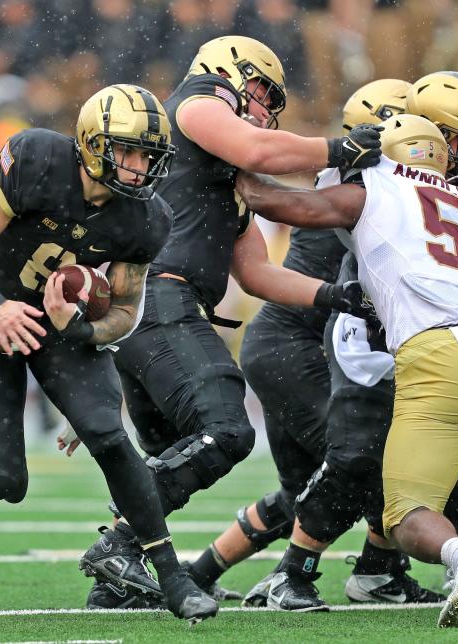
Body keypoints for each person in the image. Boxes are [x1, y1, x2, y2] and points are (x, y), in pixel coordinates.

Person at [70, 36, 384, 608]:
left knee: (178, 451)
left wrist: (337, 296)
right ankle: (119, 545)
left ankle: (117, 584)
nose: (265, 107)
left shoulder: (218, 180)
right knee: (227, 431)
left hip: (152, 312)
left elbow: (259, 275)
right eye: (263, 91)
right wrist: (339, 150)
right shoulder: (196, 101)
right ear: (229, 72)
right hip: (158, 300)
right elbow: (260, 148)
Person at [236, 113, 458, 628]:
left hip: (435, 356)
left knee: (407, 515)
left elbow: (284, 204)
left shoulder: (374, 187)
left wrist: (234, 171)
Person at [0, 84, 217, 623]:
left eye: (148, 156)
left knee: (107, 430)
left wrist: (81, 332)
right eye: (127, 151)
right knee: (2, 482)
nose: (138, 167)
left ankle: (173, 576)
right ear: (89, 142)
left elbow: (125, 313)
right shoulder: (37, 161)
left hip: (60, 327)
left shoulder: (145, 218)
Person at [177, 78, 442, 611]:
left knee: (310, 486)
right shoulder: (362, 185)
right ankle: (325, 575)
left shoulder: (363, 181)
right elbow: (279, 201)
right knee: (364, 464)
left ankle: (203, 570)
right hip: (301, 342)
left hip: (289, 343)